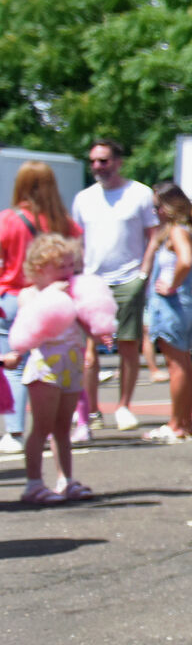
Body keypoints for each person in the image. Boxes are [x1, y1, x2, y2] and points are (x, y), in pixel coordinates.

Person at [12, 234, 107, 503]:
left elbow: (88, 325)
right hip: (45, 368)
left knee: (63, 428)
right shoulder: (29, 294)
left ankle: (66, 480)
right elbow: (30, 328)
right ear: (40, 268)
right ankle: (33, 484)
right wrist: (52, 296)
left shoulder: (74, 293)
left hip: (71, 365)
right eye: (61, 266)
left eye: (70, 266)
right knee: (41, 428)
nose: (68, 272)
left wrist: (99, 329)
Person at [71, 139, 158, 432]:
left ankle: (124, 406)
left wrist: (143, 274)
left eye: (104, 161)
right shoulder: (84, 198)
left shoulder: (139, 194)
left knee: (128, 344)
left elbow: (154, 235)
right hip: (92, 281)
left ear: (118, 162)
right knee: (88, 349)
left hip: (128, 279)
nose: (98, 167)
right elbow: (77, 240)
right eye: (94, 161)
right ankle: (91, 409)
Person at [0, 162, 81, 455]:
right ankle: (61, 424)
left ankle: (16, 431)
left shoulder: (8, 220)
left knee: (16, 366)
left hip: (15, 295)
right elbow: (79, 258)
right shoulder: (64, 221)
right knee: (61, 361)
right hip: (60, 299)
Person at [140, 183, 192, 443]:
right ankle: (185, 424)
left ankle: (176, 424)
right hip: (185, 304)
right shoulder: (185, 230)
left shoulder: (177, 231)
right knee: (185, 366)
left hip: (172, 305)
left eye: (157, 207)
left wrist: (171, 284)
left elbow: (185, 260)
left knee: (177, 367)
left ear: (169, 206)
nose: (155, 212)